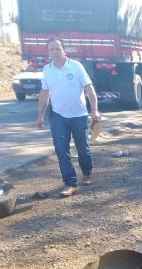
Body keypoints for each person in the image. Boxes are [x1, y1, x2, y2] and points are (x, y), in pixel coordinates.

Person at [36, 38, 101, 197]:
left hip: (79, 115)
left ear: (64, 50)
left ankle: (86, 172)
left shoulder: (76, 66)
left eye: (58, 49)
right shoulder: (47, 70)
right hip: (58, 116)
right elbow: (45, 94)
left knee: (83, 149)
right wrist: (40, 117)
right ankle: (70, 183)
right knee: (61, 150)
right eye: (51, 49)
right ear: (48, 52)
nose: (55, 52)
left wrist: (95, 111)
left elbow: (89, 90)